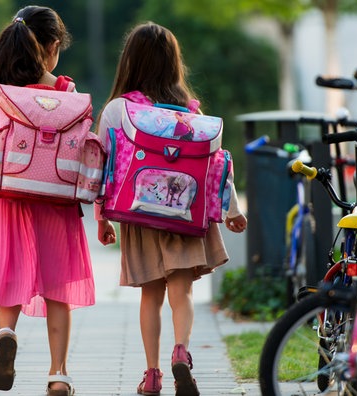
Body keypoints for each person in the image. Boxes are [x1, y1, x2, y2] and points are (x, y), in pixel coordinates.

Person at [95, 22, 248, 396]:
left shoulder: (119, 110)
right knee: (183, 293)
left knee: (151, 297)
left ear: (129, 62)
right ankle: (182, 349)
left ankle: (152, 374)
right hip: (185, 213)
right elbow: (216, 167)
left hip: (139, 214)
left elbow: (103, 165)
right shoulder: (191, 112)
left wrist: (102, 216)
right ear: (173, 64)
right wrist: (233, 209)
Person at [0, 6, 93, 396]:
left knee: (8, 273)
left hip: (6, 197)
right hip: (56, 200)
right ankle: (58, 374)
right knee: (59, 289)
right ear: (51, 47)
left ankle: (5, 332)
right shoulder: (66, 90)